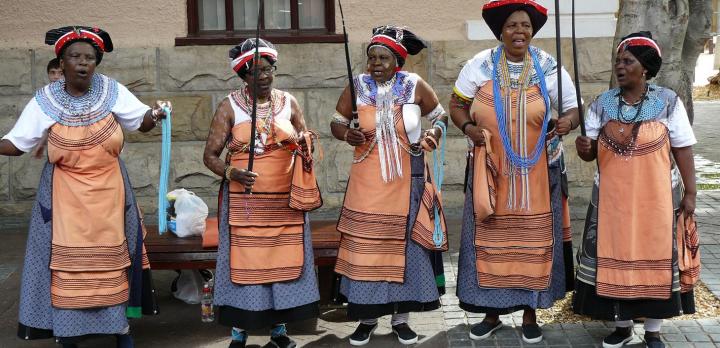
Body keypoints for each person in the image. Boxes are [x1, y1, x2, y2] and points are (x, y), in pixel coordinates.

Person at [1, 26, 167, 348]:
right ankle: (69, 335)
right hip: (65, 199)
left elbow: (141, 121)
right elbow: (17, 142)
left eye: (89, 58)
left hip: (110, 195)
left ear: (96, 63)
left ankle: (120, 332)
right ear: (61, 63)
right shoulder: (45, 100)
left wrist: (156, 114)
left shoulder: (112, 91)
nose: (82, 62)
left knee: (111, 263)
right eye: (74, 56)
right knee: (68, 266)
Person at [448, 0, 580, 344]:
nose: (519, 31)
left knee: (534, 243)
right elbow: (457, 105)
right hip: (490, 170)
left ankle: (531, 314)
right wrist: (468, 129)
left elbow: (573, 108)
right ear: (500, 32)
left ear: (531, 31)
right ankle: (491, 314)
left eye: (524, 25)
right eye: (511, 26)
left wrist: (568, 121)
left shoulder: (549, 66)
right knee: (492, 239)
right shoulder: (480, 64)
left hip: (539, 172)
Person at [573, 32, 697, 348]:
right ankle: (622, 327)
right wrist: (583, 146)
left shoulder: (668, 102)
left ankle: (653, 331)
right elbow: (589, 154)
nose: (620, 66)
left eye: (628, 61)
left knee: (655, 260)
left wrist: (691, 194)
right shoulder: (601, 105)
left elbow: (682, 149)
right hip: (611, 203)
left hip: (656, 202)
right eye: (618, 61)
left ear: (645, 68)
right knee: (612, 260)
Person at [331, 25, 449, 346]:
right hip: (367, 185)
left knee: (405, 250)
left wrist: (433, 134)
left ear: (398, 60)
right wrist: (347, 135)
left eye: (383, 57)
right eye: (372, 58)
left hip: (407, 181)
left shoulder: (414, 86)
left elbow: (440, 116)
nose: (376, 64)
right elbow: (337, 123)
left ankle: (401, 320)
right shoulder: (357, 87)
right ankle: (367, 319)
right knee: (367, 251)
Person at [202, 38, 322, 348]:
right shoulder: (229, 107)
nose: (264, 77)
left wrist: (305, 144)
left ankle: (279, 331)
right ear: (243, 76)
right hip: (246, 203)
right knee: (247, 264)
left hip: (284, 200)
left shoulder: (289, 102)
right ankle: (239, 332)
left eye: (269, 70)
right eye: (256, 72)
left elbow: (305, 139)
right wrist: (232, 172)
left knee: (282, 263)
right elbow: (210, 156)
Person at [31, 58, 65, 159]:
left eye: (61, 73)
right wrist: (42, 143)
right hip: (55, 149)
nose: (56, 77)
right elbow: (48, 124)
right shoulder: (46, 97)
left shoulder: (75, 94)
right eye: (52, 73)